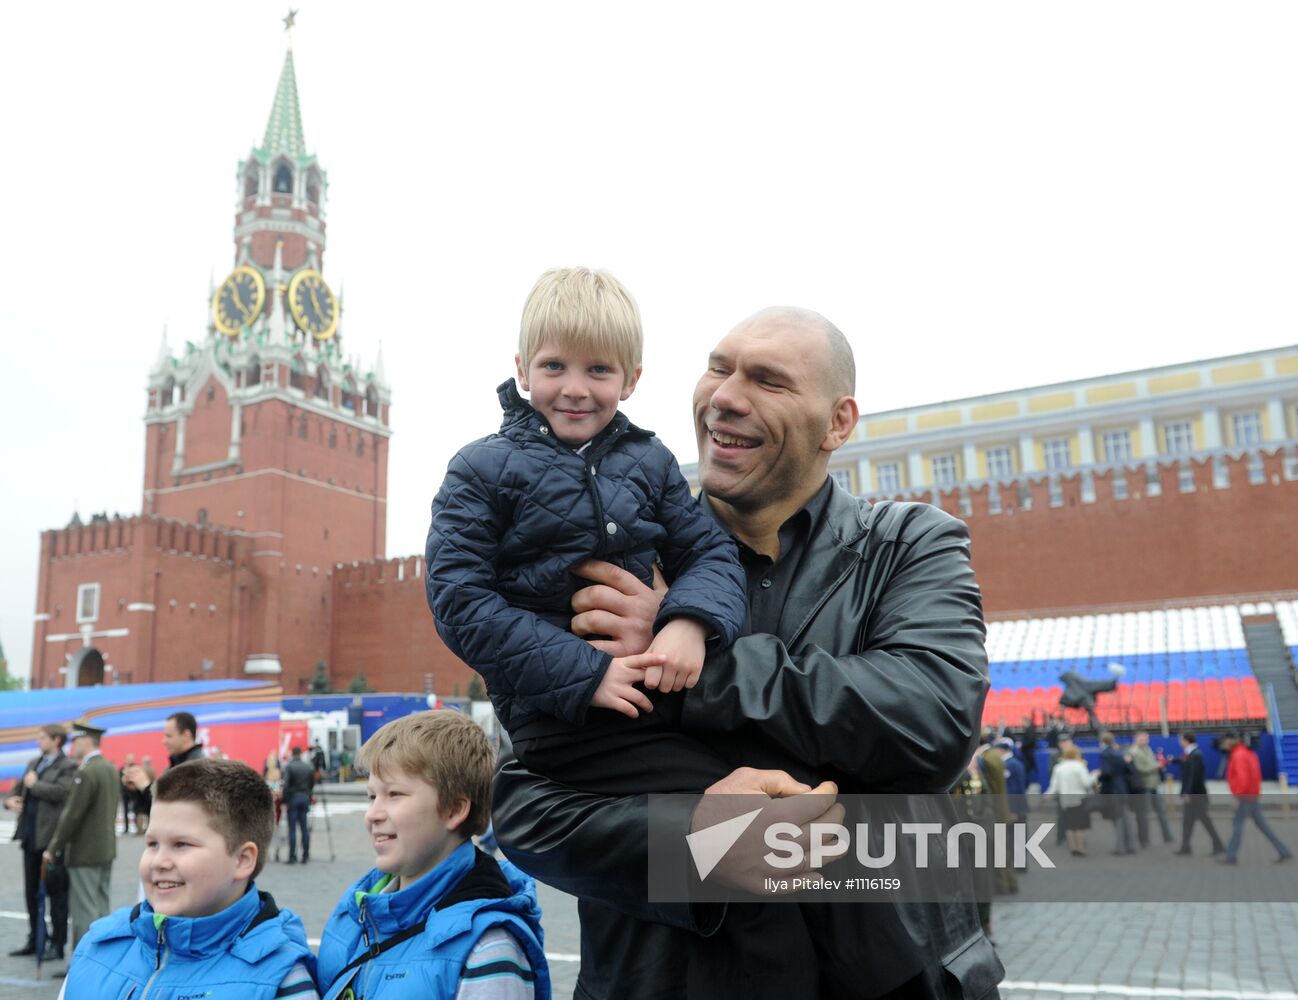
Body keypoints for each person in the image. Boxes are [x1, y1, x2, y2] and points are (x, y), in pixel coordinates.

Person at [492, 307, 1002, 998]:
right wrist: (695, 838)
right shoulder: (613, 553)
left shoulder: (907, 545)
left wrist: (698, 663)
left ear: (837, 423)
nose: (725, 396)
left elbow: (932, 721)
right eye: (718, 368)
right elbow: (525, 801)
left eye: (768, 380)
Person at [425, 267, 748, 796]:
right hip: (561, 718)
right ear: (523, 369)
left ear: (631, 379)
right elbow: (458, 600)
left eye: (598, 369)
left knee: (776, 777)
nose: (575, 389)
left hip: (661, 695)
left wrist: (689, 622)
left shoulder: (652, 460)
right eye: (554, 366)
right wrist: (586, 674)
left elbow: (710, 552)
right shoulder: (480, 469)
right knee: (727, 802)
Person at [316, 711, 549, 999]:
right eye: (372, 796)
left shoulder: (488, 950)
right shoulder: (353, 916)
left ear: (454, 809)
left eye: (395, 794)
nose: (372, 814)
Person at [58, 758, 318, 999]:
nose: (159, 861)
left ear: (242, 859)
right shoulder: (96, 948)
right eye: (152, 843)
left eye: (181, 844)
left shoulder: (282, 982)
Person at [43, 720, 119, 955]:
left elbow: (72, 815)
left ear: (86, 741)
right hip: (105, 848)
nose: (72, 746)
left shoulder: (86, 771)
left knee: (84, 910)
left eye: (75, 740)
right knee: (101, 905)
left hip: (85, 851)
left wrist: (53, 847)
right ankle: (105, 956)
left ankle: (84, 960)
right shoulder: (108, 767)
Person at [5, 723, 77, 960]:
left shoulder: (68, 766)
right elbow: (18, 789)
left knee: (56, 895)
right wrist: (10, 801)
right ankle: (35, 939)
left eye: (43, 738)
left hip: (51, 840)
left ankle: (57, 944)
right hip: (29, 837)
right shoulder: (34, 763)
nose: (39, 741)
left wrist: (35, 785)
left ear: (56, 740)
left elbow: (62, 793)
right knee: (32, 893)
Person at [1219, 733, 1293, 865]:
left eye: (1224, 741)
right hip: (1252, 795)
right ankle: (1283, 851)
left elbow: (1243, 779)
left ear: (1231, 741)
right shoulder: (1248, 753)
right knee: (1263, 826)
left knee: (1237, 826)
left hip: (1245, 797)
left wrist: (1238, 797)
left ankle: (1231, 856)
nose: (1223, 744)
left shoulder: (1238, 755)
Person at [121, 711, 204, 814]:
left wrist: (145, 786)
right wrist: (137, 789)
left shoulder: (198, 769)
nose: (164, 741)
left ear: (186, 735)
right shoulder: (177, 765)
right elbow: (152, 811)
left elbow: (174, 812)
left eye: (169, 736)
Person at [1176, 731, 1225, 856]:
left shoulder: (1195, 755)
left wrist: (1188, 793)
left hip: (1196, 796)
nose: (1179, 742)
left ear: (1186, 740)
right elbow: (1185, 763)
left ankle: (1218, 844)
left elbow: (1194, 776)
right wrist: (1173, 760)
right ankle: (1186, 846)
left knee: (1204, 821)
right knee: (1188, 822)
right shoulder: (1191, 753)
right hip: (1195, 795)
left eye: (1180, 739)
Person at [1044, 744, 1095, 856]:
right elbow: (1086, 783)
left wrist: (1047, 795)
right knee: (1079, 825)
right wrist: (1094, 776)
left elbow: (1054, 786)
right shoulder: (1079, 766)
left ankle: (1072, 847)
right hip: (1079, 799)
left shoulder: (1059, 767)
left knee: (1069, 825)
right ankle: (1080, 847)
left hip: (1065, 800)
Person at [1128, 730, 1174, 845]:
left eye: (1147, 738)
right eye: (1144, 738)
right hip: (1144, 787)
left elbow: (1150, 764)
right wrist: (1157, 766)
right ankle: (1144, 840)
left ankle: (1168, 836)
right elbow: (1140, 769)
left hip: (1154, 785)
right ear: (1137, 738)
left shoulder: (1147, 749)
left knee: (1161, 812)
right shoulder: (1134, 752)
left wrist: (1156, 765)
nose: (1146, 740)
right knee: (1143, 815)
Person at [283, 745, 316, 864]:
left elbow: (286, 785)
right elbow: (312, 784)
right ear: (301, 754)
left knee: (292, 829)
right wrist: (309, 796)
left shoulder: (289, 767)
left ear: (292, 754)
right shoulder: (308, 767)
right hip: (305, 797)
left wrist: (285, 801)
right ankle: (305, 854)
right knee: (304, 828)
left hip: (293, 798)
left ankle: (292, 856)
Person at [118, 753, 136, 835]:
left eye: (131, 758)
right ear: (126, 760)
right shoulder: (122, 769)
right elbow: (119, 780)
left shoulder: (136, 768)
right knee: (125, 810)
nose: (130, 760)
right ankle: (126, 828)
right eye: (129, 759)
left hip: (134, 792)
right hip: (125, 792)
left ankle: (137, 826)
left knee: (136, 809)